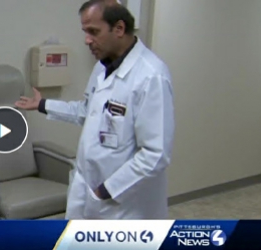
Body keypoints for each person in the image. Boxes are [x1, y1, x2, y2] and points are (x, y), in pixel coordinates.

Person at [15, 0, 175, 219]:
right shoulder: (102, 67)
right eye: (85, 32)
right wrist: (43, 104)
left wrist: (106, 190)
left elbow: (155, 154)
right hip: (88, 191)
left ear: (119, 28)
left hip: (123, 205)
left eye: (93, 32)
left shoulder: (150, 76)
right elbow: (86, 111)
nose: (86, 40)